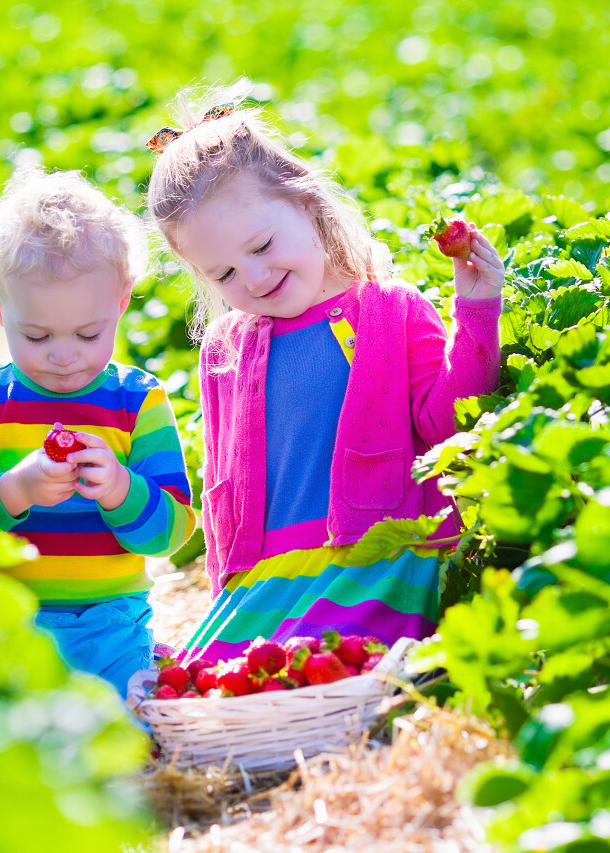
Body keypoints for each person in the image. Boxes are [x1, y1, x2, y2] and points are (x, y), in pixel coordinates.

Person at [144, 92, 503, 665]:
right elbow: (222, 489)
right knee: (208, 681)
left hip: (376, 559)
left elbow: (445, 422)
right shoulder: (226, 348)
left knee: (329, 666)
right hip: (267, 578)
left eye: (262, 246)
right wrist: (224, 587)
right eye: (225, 273)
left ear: (306, 203)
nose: (255, 277)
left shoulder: (387, 310)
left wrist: (477, 313)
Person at [0, 166, 195, 698]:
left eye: (88, 333)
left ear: (122, 301)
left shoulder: (138, 402)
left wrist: (121, 490)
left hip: (110, 624)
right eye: (36, 335)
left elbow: (171, 533)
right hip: (5, 619)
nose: (64, 355)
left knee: (122, 737)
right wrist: (16, 489)